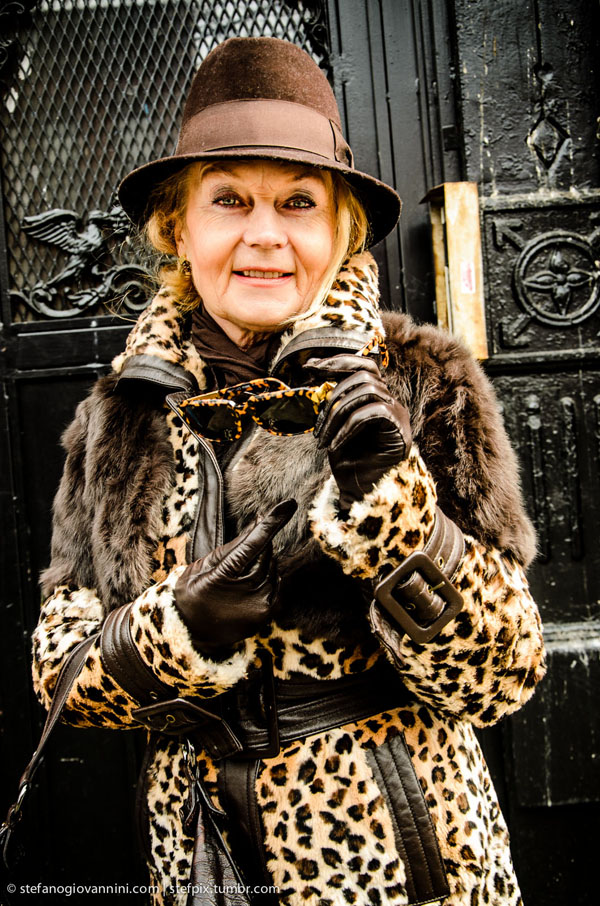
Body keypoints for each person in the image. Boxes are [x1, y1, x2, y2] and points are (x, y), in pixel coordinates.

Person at [31, 36, 546, 906]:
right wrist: (178, 628)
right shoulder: (117, 415)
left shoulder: (421, 381)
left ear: (337, 229)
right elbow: (59, 677)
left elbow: (506, 673)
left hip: (399, 867)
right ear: (178, 227)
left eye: (298, 203)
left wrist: (398, 522)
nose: (264, 235)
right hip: (203, 866)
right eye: (229, 200)